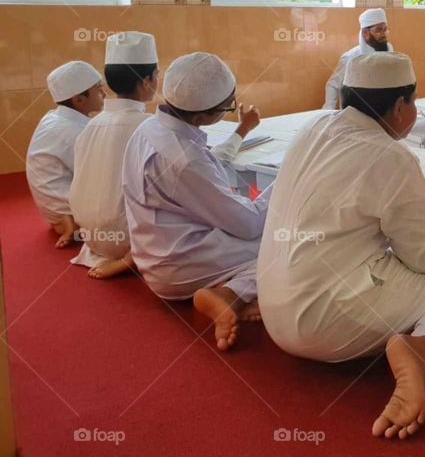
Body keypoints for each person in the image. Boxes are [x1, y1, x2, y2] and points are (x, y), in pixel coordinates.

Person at [257, 52, 425, 440]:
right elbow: (424, 257)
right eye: (414, 101)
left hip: (273, 310)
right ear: (398, 106)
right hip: (327, 321)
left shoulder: (311, 131)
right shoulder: (389, 154)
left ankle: (418, 341)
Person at [123, 52, 269, 351]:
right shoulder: (185, 160)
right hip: (179, 265)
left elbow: (207, 164)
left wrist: (240, 131)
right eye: (228, 106)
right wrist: (289, 180)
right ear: (204, 117)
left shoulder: (149, 130)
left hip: (155, 252)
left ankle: (234, 292)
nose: (231, 110)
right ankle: (231, 293)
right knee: (290, 242)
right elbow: (250, 224)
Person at [69, 32, 159, 278]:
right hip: (128, 239)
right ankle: (131, 259)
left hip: (90, 235)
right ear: (147, 81)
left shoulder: (91, 125)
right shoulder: (148, 126)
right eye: (157, 74)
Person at [27, 61, 104, 248]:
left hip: (55, 209)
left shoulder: (54, 117)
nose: (104, 94)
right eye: (98, 90)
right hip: (65, 211)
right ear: (78, 100)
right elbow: (103, 176)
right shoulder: (74, 132)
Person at [323, 8, 393, 109]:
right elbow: (332, 85)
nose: (383, 34)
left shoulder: (389, 49)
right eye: (378, 30)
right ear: (365, 33)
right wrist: (328, 113)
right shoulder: (350, 57)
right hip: (356, 112)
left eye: (385, 29)